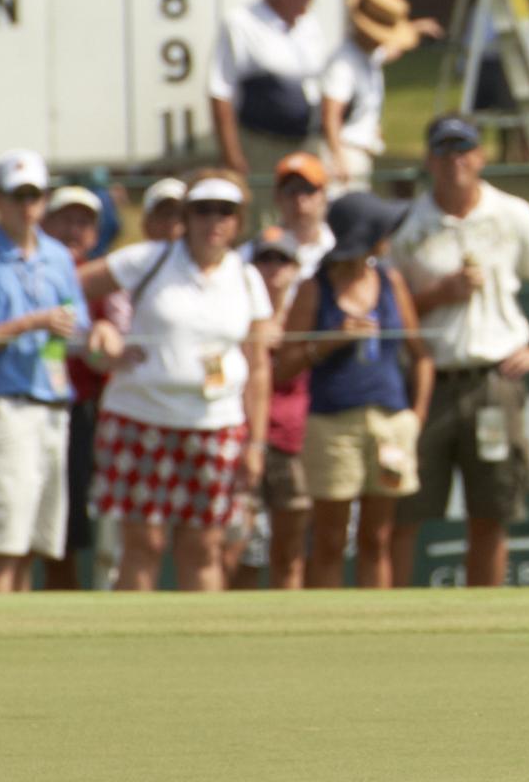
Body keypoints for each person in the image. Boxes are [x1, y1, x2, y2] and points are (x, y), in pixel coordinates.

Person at [388, 113, 529, 586]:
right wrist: (437, 295)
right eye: (446, 150)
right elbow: (386, 305)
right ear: (430, 159)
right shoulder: (409, 224)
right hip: (428, 381)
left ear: (481, 156)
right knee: (406, 509)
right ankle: (396, 620)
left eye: (464, 149)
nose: (456, 161)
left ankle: (484, 616)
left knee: (491, 508)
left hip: (494, 378)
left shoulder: (510, 213)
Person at [80, 172, 275, 592]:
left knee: (204, 547)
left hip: (216, 424)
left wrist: (256, 444)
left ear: (240, 221)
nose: (214, 220)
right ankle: (136, 652)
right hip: (139, 417)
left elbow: (259, 367)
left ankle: (205, 653)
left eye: (225, 211)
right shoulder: (147, 258)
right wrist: (94, 332)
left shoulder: (247, 277)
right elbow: (67, 289)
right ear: (187, 216)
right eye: (203, 210)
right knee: (143, 545)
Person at [0, 151, 86, 593]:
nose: (27, 206)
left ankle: (16, 643)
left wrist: (92, 334)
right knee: (2, 543)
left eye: (35, 196)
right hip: (3, 406)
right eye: (17, 196)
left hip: (52, 404)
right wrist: (28, 324)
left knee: (31, 544)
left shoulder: (58, 258)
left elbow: (76, 323)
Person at [283, 202, 429, 587]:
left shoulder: (391, 281)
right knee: (329, 540)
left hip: (391, 424)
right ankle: (327, 633)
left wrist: (416, 416)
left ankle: (378, 633)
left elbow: (421, 355)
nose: (387, 240)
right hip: (331, 425)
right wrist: (328, 343)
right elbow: (283, 364)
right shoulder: (314, 288)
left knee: (377, 538)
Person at [40, 186, 121, 587]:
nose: (75, 229)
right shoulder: (35, 271)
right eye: (66, 219)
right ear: (46, 223)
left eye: (85, 221)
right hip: (46, 408)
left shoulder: (106, 278)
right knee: (58, 534)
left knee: (103, 529)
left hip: (97, 413)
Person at [210, 0, 336, 182]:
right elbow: (220, 91)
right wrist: (231, 154)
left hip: (306, 142)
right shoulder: (241, 23)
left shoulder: (309, 25)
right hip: (261, 144)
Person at [245, 230, 314, 583]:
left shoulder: (307, 314)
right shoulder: (234, 311)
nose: (272, 268)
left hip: (293, 440)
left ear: (295, 267)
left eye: (281, 260)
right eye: (264, 259)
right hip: (244, 437)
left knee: (289, 551)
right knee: (239, 554)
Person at [328, 0, 439, 186]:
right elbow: (331, 115)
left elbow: (390, 51)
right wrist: (337, 158)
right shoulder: (342, 65)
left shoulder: (368, 54)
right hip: (346, 151)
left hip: (359, 149)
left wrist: (415, 29)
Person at [271, 151, 338, 270]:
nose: (300, 198)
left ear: (324, 195)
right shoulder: (257, 252)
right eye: (291, 190)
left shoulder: (339, 246)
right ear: (277, 197)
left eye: (308, 189)